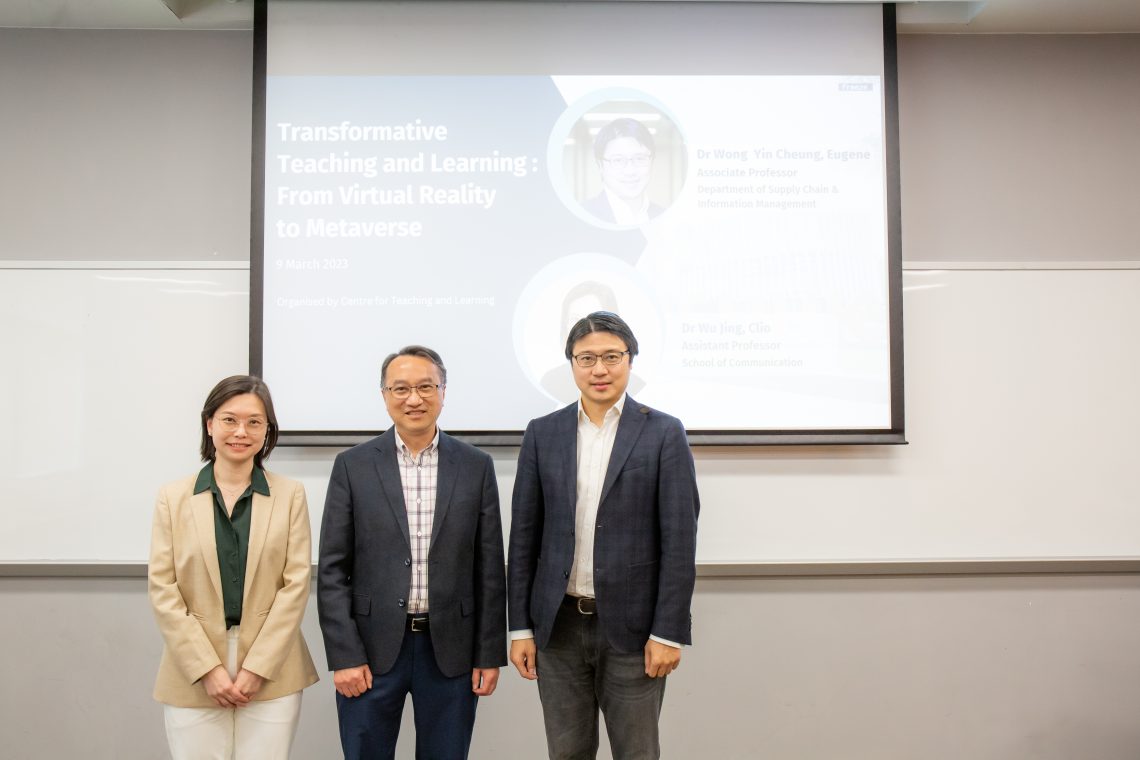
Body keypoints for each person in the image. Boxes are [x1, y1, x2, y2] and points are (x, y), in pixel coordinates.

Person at [508, 311, 700, 759]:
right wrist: (520, 627)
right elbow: (524, 539)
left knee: (637, 753)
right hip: (557, 628)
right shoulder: (543, 433)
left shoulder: (663, 433)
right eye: (587, 358)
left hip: (634, 632)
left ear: (630, 360)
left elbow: (679, 541)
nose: (599, 369)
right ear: (571, 364)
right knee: (567, 753)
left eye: (612, 356)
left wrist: (668, 633)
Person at [318, 345, 507, 760]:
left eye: (426, 386)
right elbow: (332, 570)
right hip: (371, 650)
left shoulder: (475, 465)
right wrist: (344, 655)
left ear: (443, 391)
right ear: (384, 394)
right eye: (400, 388)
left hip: (451, 653)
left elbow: (489, 569)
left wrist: (489, 653)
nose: (414, 398)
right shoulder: (353, 465)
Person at [148, 375, 318, 760]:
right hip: (192, 668)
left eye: (255, 422)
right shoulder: (172, 498)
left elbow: (295, 586)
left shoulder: (290, 495)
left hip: (272, 669)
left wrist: (257, 667)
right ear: (209, 424)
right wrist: (208, 669)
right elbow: (163, 589)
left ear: (267, 431)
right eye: (229, 420)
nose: (241, 432)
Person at [581, 118, 665, 226]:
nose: (630, 171)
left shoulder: (667, 218)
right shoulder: (580, 217)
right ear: (600, 165)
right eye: (618, 160)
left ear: (652, 161)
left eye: (639, 159)